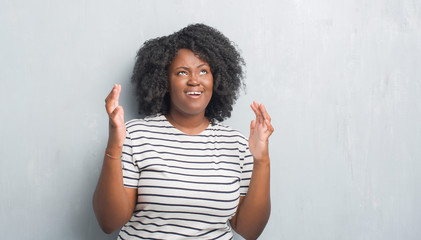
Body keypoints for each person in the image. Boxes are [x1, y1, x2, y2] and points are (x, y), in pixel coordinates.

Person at [93, 23, 274, 240]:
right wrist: (114, 145)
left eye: (203, 71)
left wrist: (261, 160)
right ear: (164, 82)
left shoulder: (238, 144)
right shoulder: (135, 135)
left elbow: (250, 231)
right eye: (182, 72)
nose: (194, 80)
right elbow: (109, 222)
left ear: (215, 79)